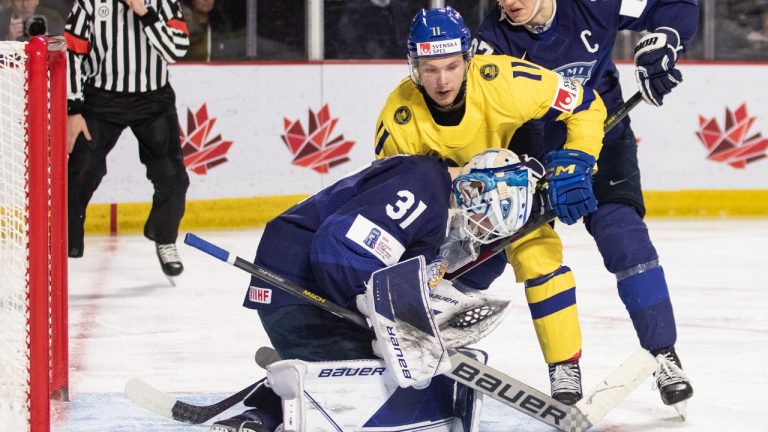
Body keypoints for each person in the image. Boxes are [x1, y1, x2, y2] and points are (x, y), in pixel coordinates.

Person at [210, 148, 544, 432]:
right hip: (300, 285)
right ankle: (276, 405)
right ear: (473, 191)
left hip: (300, 285)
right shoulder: (424, 184)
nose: (480, 229)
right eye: (485, 218)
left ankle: (259, 414)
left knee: (372, 371)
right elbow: (339, 245)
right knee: (379, 387)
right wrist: (383, 314)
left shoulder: (434, 198)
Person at [373, 6, 607, 405]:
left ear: (468, 59)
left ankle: (564, 366)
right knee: (428, 287)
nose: (442, 81)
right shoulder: (399, 116)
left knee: (540, 261)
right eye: (429, 69)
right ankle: (422, 352)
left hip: (516, 200)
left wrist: (579, 159)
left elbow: (585, 103)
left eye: (451, 66)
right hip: (452, 216)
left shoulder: (506, 81)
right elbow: (390, 195)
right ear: (414, 66)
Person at [473, 0, 697, 408]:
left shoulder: (596, 4)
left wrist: (665, 39)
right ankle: (563, 363)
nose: (509, 3)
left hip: (601, 140)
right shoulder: (491, 44)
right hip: (531, 158)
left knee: (624, 237)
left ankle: (664, 354)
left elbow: (675, 4)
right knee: (535, 256)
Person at [65, 0, 190, 280]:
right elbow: (73, 53)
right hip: (101, 99)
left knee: (172, 175)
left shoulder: (163, 2)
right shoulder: (90, 3)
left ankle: (164, 237)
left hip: (153, 99)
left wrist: (144, 13)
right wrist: (72, 108)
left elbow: (177, 49)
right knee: (81, 170)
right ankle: (66, 242)